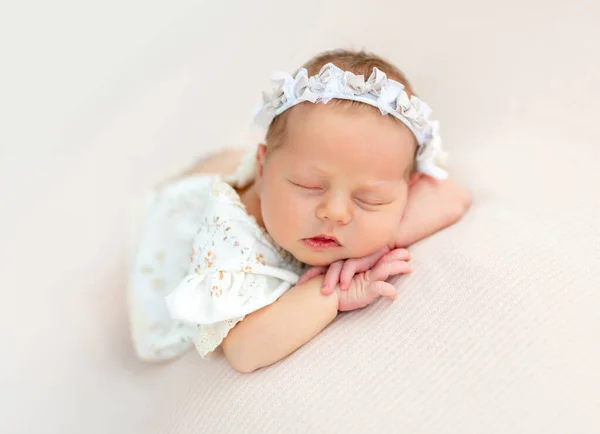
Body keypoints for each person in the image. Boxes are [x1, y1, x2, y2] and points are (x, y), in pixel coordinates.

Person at [127, 49, 472, 373]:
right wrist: (334, 291)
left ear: (408, 186)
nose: (335, 212)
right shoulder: (234, 244)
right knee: (182, 192)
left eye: (370, 200)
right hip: (176, 235)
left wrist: (383, 242)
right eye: (309, 186)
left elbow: (452, 196)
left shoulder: (376, 172)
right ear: (263, 171)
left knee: (279, 156)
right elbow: (245, 350)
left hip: (274, 171)